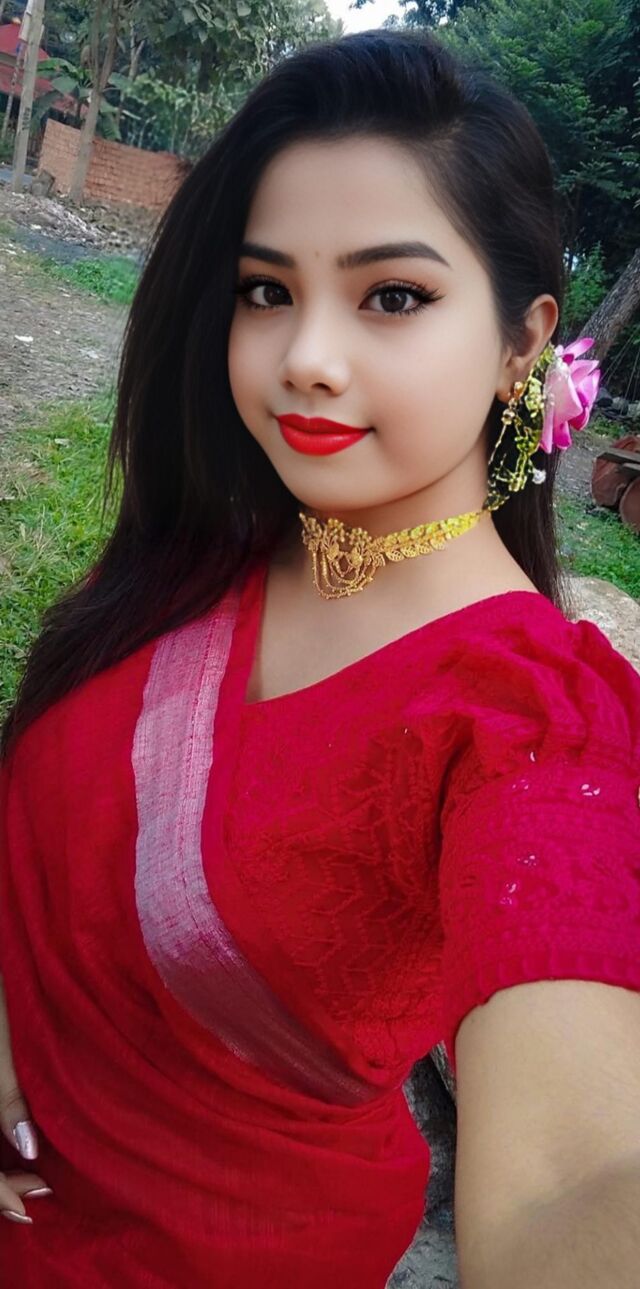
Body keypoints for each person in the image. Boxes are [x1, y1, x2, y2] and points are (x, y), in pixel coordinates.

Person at [1, 26, 639, 1289]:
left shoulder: (528, 727)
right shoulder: (210, 546)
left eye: (391, 295)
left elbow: (576, 1175)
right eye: (265, 290)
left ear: (521, 343)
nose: (304, 356)